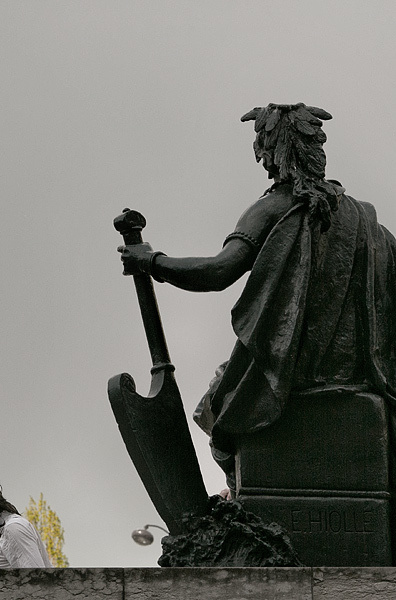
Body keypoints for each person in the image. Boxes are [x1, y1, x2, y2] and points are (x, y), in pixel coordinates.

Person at [119, 103, 396, 491]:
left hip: (291, 381)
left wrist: (152, 262)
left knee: (216, 407)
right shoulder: (369, 223)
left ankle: (239, 496)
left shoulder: (272, 208)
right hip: (361, 382)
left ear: (269, 152)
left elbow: (219, 271)